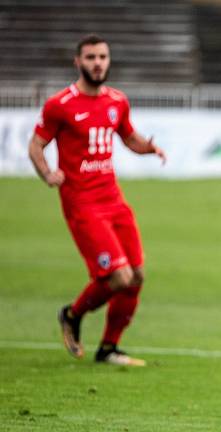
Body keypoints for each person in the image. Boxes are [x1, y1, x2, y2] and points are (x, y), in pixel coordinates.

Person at [28, 35, 166, 367]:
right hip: (82, 204)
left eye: (103, 56)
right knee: (117, 278)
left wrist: (148, 147)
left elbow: (128, 136)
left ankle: (108, 349)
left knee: (136, 275)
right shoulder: (60, 105)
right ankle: (73, 314)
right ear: (78, 62)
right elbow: (36, 145)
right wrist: (48, 174)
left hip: (113, 200)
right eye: (90, 57)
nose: (98, 63)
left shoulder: (117, 101)